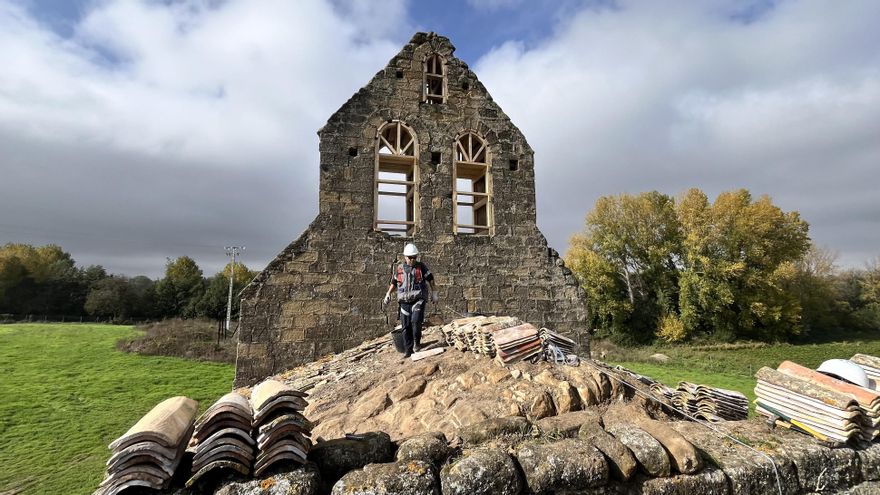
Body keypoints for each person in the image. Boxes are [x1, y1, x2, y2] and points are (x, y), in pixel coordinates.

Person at [383, 243, 438, 357]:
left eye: (415, 257)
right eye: (410, 257)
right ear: (405, 257)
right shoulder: (399, 269)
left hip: (418, 299)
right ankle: (408, 350)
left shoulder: (421, 267)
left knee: (416, 320)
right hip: (404, 301)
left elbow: (431, 280)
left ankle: (417, 343)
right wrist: (388, 294)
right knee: (405, 326)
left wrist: (434, 293)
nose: (413, 260)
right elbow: (394, 283)